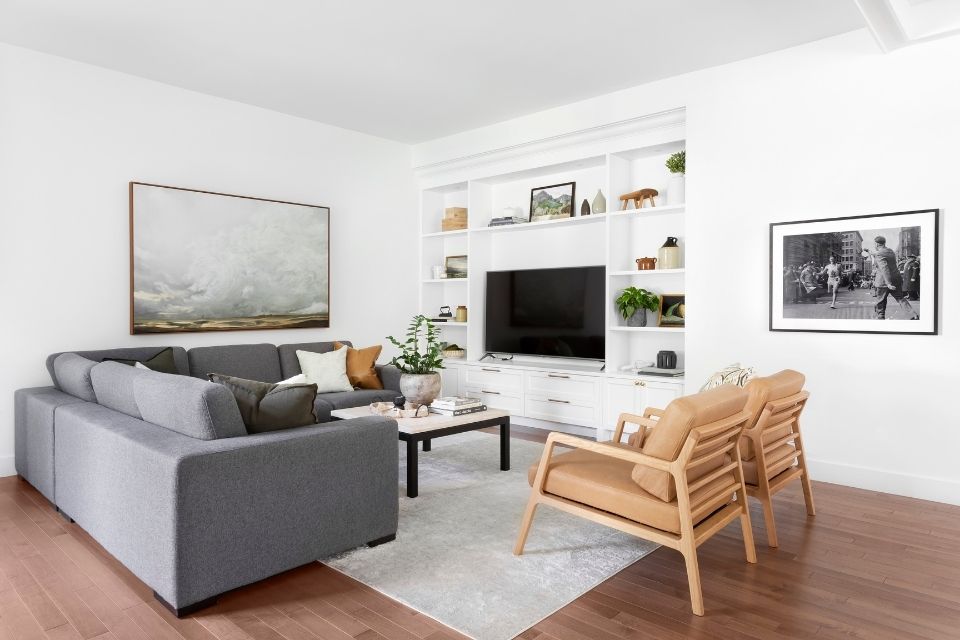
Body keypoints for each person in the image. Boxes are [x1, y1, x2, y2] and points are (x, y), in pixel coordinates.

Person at [862, 236, 919, 320]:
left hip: (883, 281)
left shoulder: (879, 254)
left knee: (881, 301)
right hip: (896, 279)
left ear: (877, 244)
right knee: (900, 298)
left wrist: (888, 283)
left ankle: (880, 318)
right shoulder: (890, 251)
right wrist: (869, 251)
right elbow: (877, 254)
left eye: (874, 244)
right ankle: (913, 314)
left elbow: (884, 268)